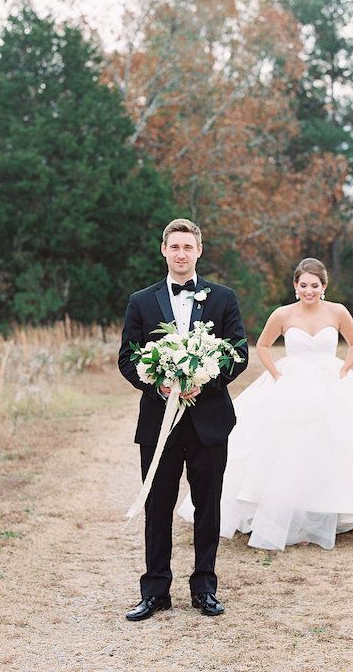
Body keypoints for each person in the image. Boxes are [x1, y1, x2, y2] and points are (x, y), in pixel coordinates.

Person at [179, 257, 353, 550]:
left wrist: (344, 369)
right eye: (303, 285)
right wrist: (276, 372)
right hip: (290, 384)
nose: (309, 291)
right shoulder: (283, 314)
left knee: (332, 445)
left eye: (315, 285)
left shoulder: (338, 311)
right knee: (286, 448)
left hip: (331, 384)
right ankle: (283, 513)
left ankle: (328, 511)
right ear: (295, 286)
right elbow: (262, 345)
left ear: (324, 286)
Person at [118, 218, 248, 619]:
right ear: (163, 250)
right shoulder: (141, 301)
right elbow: (127, 358)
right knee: (158, 506)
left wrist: (203, 381)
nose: (180, 254)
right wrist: (159, 385)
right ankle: (155, 591)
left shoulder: (223, 298)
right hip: (158, 422)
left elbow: (237, 353)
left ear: (199, 251)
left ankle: (205, 588)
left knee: (208, 506)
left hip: (209, 421)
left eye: (187, 247)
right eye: (174, 247)